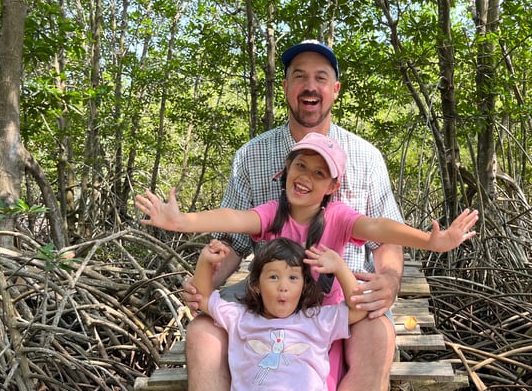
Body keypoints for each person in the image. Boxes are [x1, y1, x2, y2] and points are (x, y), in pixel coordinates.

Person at [171, 40, 417, 391]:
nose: (310, 86)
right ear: (285, 87)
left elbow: (384, 238)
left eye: (320, 77)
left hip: (343, 293)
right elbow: (233, 240)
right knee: (202, 331)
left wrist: (390, 281)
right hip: (272, 287)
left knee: (377, 334)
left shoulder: (366, 156)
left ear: (335, 90)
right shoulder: (251, 155)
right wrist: (204, 281)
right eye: (299, 76)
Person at [135, 132, 478, 309]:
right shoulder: (272, 212)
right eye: (300, 166)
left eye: (319, 173)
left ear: (332, 187)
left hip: (323, 319)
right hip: (273, 309)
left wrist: (429, 240)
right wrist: (182, 221)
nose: (305, 178)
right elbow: (233, 218)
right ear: (285, 170)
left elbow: (379, 228)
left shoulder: (340, 217)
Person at [191, 237, 368, 391]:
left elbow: (357, 309)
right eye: (274, 277)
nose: (283, 286)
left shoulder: (316, 320)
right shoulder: (240, 317)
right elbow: (202, 297)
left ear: (304, 286)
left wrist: (339, 268)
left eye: (293, 278)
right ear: (257, 284)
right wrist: (205, 260)